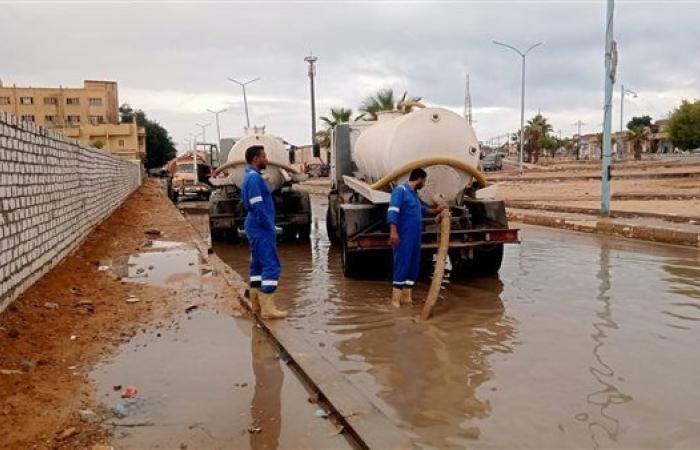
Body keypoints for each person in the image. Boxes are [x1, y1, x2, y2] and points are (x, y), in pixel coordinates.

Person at [387, 168, 446, 308]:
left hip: (415, 237)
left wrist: (437, 211)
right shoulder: (400, 191)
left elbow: (422, 209)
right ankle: (395, 301)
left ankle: (407, 299)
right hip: (403, 236)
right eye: (424, 181)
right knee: (403, 264)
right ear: (419, 179)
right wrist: (393, 232)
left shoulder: (414, 194)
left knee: (413, 265)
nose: (424, 184)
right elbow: (393, 211)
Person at [241, 145, 287, 319]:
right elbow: (258, 205)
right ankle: (268, 309)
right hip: (260, 227)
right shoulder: (254, 179)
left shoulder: (252, 177)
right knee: (271, 265)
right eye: (264, 156)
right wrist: (269, 226)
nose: (266, 159)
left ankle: (257, 304)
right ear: (255, 159)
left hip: (255, 225)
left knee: (258, 265)